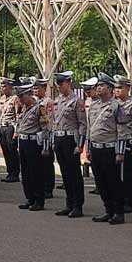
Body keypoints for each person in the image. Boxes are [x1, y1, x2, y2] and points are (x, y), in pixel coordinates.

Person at [86, 72, 131, 225]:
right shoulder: (94, 106)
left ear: (110, 89)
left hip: (110, 148)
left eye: (102, 86)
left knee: (113, 181)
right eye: (98, 86)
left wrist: (120, 152)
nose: (98, 88)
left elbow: (122, 130)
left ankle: (118, 212)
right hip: (96, 147)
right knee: (100, 181)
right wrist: (89, 149)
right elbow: (89, 129)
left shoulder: (116, 106)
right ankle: (108, 210)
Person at [52, 71, 87, 218]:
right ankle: (69, 203)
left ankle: (77, 206)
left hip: (71, 140)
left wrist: (80, 145)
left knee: (74, 174)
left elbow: (82, 124)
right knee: (65, 173)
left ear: (68, 83)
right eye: (58, 84)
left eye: (61, 84)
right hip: (60, 139)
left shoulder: (77, 101)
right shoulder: (57, 101)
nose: (59, 87)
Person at [15, 83, 51, 211]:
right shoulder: (22, 108)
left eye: (22, 96)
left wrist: (45, 147)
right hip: (24, 141)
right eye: (19, 97)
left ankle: (38, 200)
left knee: (35, 172)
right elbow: (19, 124)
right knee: (25, 172)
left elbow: (45, 128)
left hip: (34, 142)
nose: (20, 99)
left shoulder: (39, 108)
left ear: (29, 94)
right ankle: (29, 198)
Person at [114, 75, 132, 213]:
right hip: (115, 141)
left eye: (120, 88)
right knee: (116, 174)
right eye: (116, 88)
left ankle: (129, 201)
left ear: (127, 89)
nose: (117, 91)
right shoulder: (113, 104)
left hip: (128, 142)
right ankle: (119, 199)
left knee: (128, 174)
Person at [0, 77, 21, 183]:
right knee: (5, 151)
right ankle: (9, 172)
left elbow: (17, 115)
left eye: (4, 86)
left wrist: (16, 131)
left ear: (10, 87)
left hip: (10, 127)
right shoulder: (2, 98)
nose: (2, 88)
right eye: (2, 86)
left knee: (12, 150)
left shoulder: (15, 99)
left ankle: (15, 173)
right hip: (2, 126)